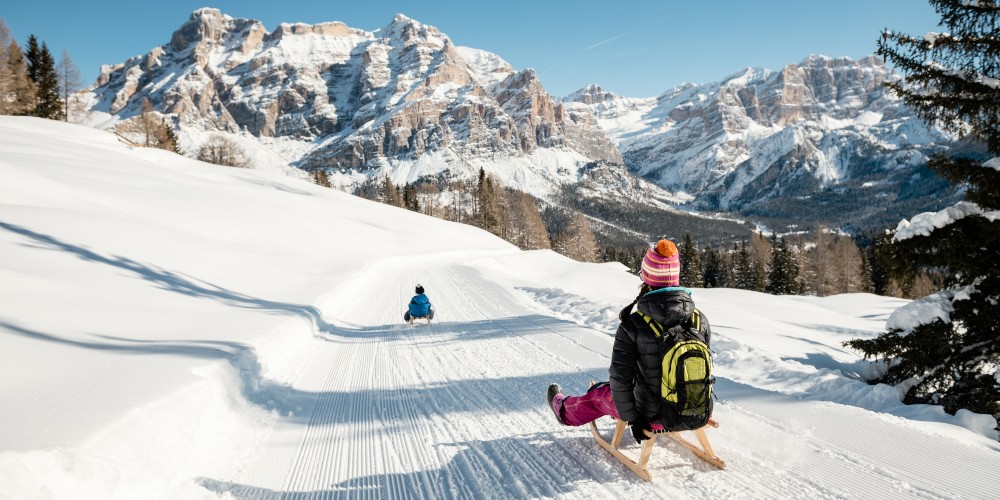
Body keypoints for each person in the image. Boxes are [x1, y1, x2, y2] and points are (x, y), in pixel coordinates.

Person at [546, 239, 712, 443]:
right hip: (693, 410)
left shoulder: (634, 324)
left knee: (598, 395)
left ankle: (563, 410)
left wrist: (634, 420)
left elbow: (620, 379)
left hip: (650, 417)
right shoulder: (699, 319)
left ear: (647, 277)